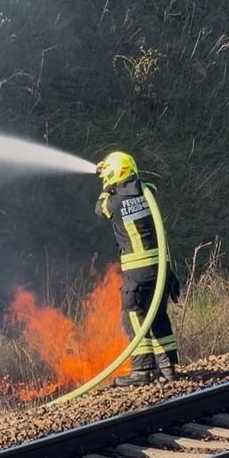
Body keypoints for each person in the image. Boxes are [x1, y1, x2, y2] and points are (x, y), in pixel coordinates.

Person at [95, 150, 179, 385]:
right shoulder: (147, 191)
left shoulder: (114, 201)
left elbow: (100, 209)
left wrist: (105, 185)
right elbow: (143, 186)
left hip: (138, 272)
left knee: (132, 315)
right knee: (158, 315)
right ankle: (168, 367)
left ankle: (142, 370)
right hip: (161, 268)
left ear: (113, 172)